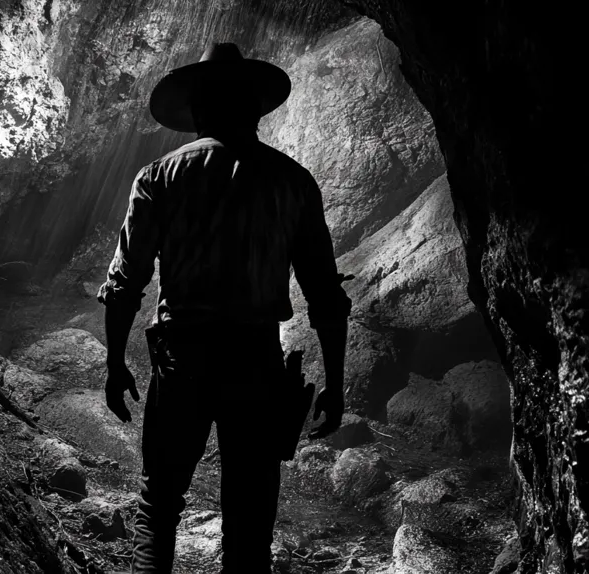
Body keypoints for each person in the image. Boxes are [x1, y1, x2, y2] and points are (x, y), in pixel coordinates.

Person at [96, 42, 352, 574]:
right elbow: (325, 294)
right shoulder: (293, 182)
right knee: (250, 523)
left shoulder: (159, 177)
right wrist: (335, 380)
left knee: (159, 506)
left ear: (198, 110)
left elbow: (126, 284)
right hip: (255, 363)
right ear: (255, 110)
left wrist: (115, 363)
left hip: (182, 359)